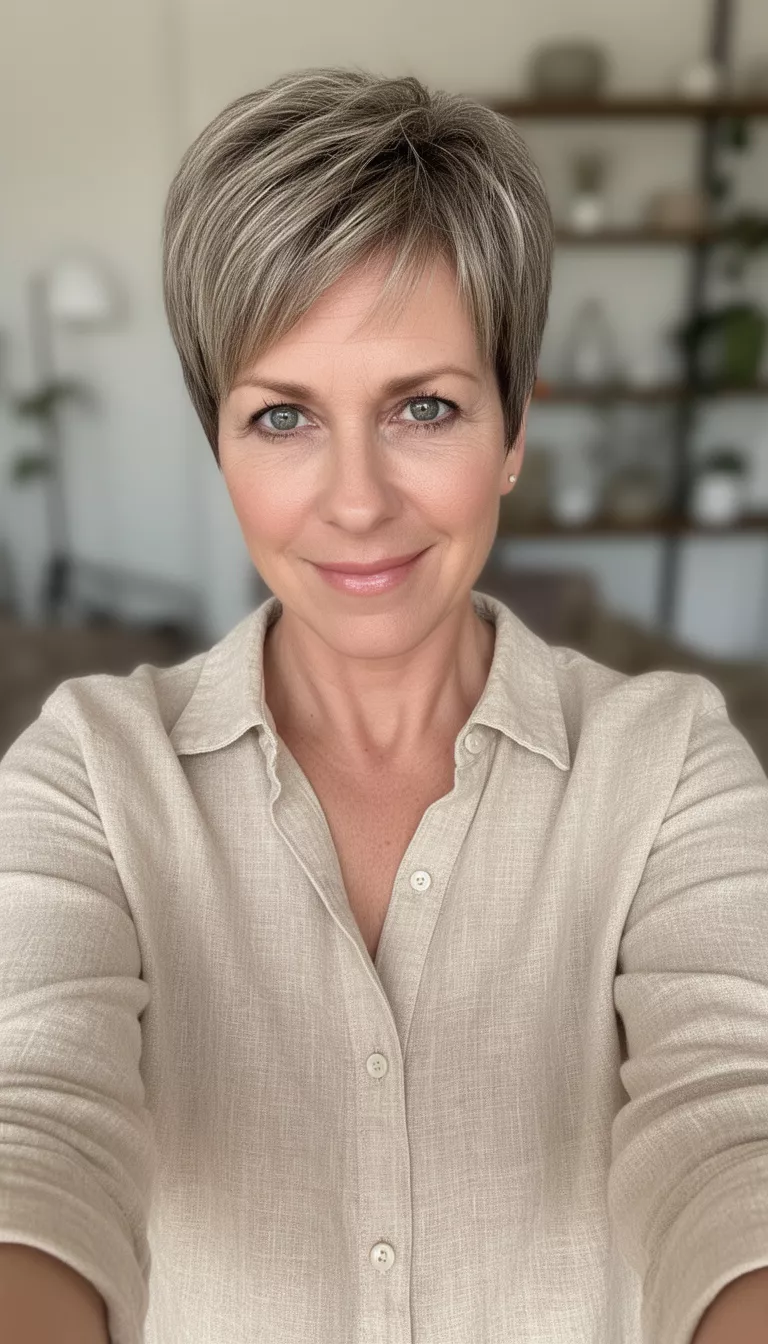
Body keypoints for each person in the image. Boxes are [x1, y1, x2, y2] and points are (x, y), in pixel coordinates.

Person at [1, 65, 768, 1344]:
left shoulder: (669, 761)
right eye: (284, 415)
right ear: (219, 444)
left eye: (424, 407)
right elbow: (31, 1119)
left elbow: (738, 1131)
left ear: (515, 429)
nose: (356, 502)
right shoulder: (88, 769)